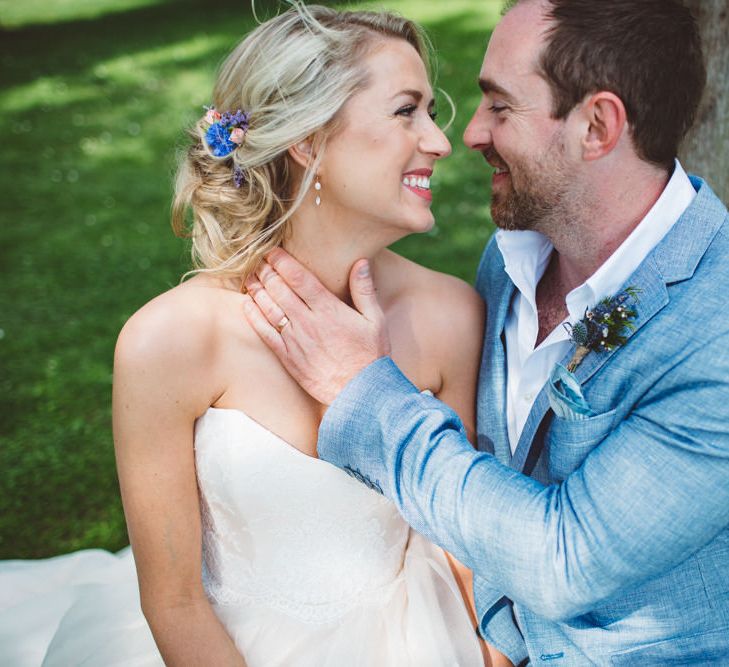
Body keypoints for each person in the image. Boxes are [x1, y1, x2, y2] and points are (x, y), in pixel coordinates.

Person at [0, 4, 510, 666]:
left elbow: (463, 545)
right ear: (307, 141)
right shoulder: (168, 343)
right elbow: (174, 601)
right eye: (405, 111)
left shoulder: (449, 315)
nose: (440, 142)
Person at [242, 0, 729, 664]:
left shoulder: (716, 327)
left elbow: (563, 558)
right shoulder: (511, 256)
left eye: (499, 108)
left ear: (596, 125)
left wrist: (365, 391)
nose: (466, 134)